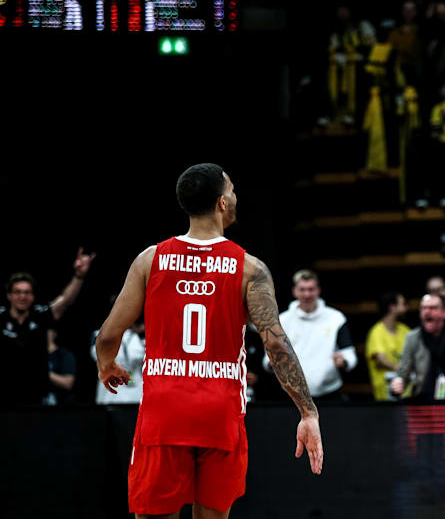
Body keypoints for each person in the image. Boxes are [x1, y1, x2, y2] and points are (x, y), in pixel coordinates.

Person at [95, 163, 323, 518]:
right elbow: (276, 345)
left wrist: (106, 365)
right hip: (219, 412)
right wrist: (307, 411)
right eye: (231, 191)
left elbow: (109, 334)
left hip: (164, 411)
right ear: (220, 203)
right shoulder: (250, 268)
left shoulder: (150, 260)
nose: (235, 197)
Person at [1, 250, 96, 406]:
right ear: (9, 295)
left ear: (32, 296)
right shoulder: (1, 317)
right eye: (17, 292)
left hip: (35, 396)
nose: (22, 296)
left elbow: (65, 300)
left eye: (26, 292)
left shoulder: (39, 316)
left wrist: (79, 276)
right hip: (4, 396)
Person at [270, 270, 356, 401]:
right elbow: (269, 355)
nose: (307, 294)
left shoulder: (336, 318)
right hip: (291, 395)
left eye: (311, 289)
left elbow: (349, 354)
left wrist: (344, 361)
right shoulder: (282, 320)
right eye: (302, 289)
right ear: (294, 291)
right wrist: (273, 361)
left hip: (330, 394)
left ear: (318, 290)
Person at [91, 316, 146, 405]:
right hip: (110, 396)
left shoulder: (139, 336)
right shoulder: (99, 335)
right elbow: (97, 356)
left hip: (136, 393)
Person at [366, 292, 410, 402]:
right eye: (403, 304)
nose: (406, 307)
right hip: (385, 396)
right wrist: (402, 369)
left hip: (407, 393)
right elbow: (381, 360)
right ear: (392, 307)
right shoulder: (376, 332)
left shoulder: (405, 330)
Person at [45, 326, 75, 405]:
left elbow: (68, 383)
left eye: (47, 331)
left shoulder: (64, 355)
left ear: (54, 334)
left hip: (61, 405)